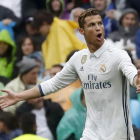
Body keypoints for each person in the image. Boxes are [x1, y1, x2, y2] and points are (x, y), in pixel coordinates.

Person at [1, 8, 140, 140]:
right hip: (91, 133)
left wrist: (136, 80)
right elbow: (51, 85)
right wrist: (19, 96)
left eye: (100, 23)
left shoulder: (118, 55)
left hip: (118, 133)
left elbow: (131, 72)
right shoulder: (78, 59)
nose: (98, 28)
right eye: (92, 25)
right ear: (82, 31)